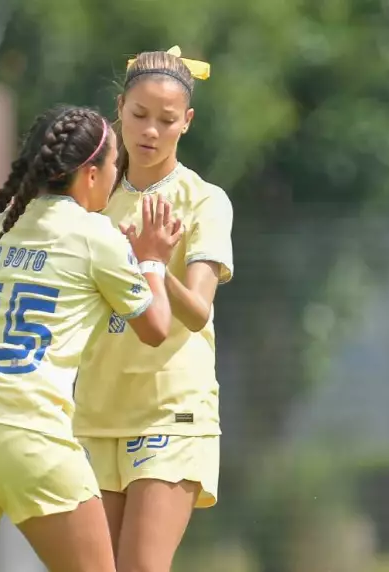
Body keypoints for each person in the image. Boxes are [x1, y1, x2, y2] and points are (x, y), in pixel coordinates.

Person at [0, 105, 183, 572]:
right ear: (90, 174)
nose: (117, 174)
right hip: (29, 432)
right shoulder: (97, 235)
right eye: (113, 164)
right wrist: (152, 259)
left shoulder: (4, 229)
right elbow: (156, 328)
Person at [73, 46, 235, 571]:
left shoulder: (204, 200)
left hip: (172, 410)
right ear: (118, 108)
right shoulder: (91, 198)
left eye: (166, 121)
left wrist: (153, 264)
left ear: (186, 122)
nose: (150, 131)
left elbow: (199, 312)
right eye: (139, 115)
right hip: (96, 412)